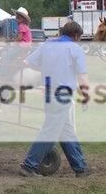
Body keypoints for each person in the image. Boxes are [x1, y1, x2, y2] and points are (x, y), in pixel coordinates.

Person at [19, 21, 90, 177]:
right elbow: (82, 76)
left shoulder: (46, 45)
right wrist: (86, 94)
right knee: (50, 131)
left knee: (66, 131)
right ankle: (29, 165)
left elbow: (27, 62)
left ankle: (80, 168)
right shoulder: (76, 50)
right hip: (63, 94)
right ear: (76, 36)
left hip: (49, 93)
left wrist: (45, 69)